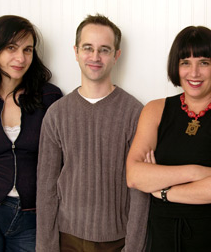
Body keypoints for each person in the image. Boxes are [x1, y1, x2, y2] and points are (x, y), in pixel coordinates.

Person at [126, 26, 211, 251]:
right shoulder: (155, 109)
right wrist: (197, 172)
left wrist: (162, 191)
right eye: (185, 62)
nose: (194, 73)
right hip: (161, 240)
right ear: (176, 66)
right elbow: (134, 176)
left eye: (203, 62)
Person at [36, 14, 149, 252]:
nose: (95, 57)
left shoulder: (134, 112)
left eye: (104, 50)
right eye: (88, 48)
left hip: (117, 242)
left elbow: (140, 190)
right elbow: (46, 188)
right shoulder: (57, 114)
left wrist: (134, 247)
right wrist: (46, 247)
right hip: (67, 239)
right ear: (76, 51)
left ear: (116, 55)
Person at [0, 15, 62, 251]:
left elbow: (64, 155)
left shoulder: (49, 98)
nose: (21, 58)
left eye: (28, 49)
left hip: (32, 215)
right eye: (11, 48)